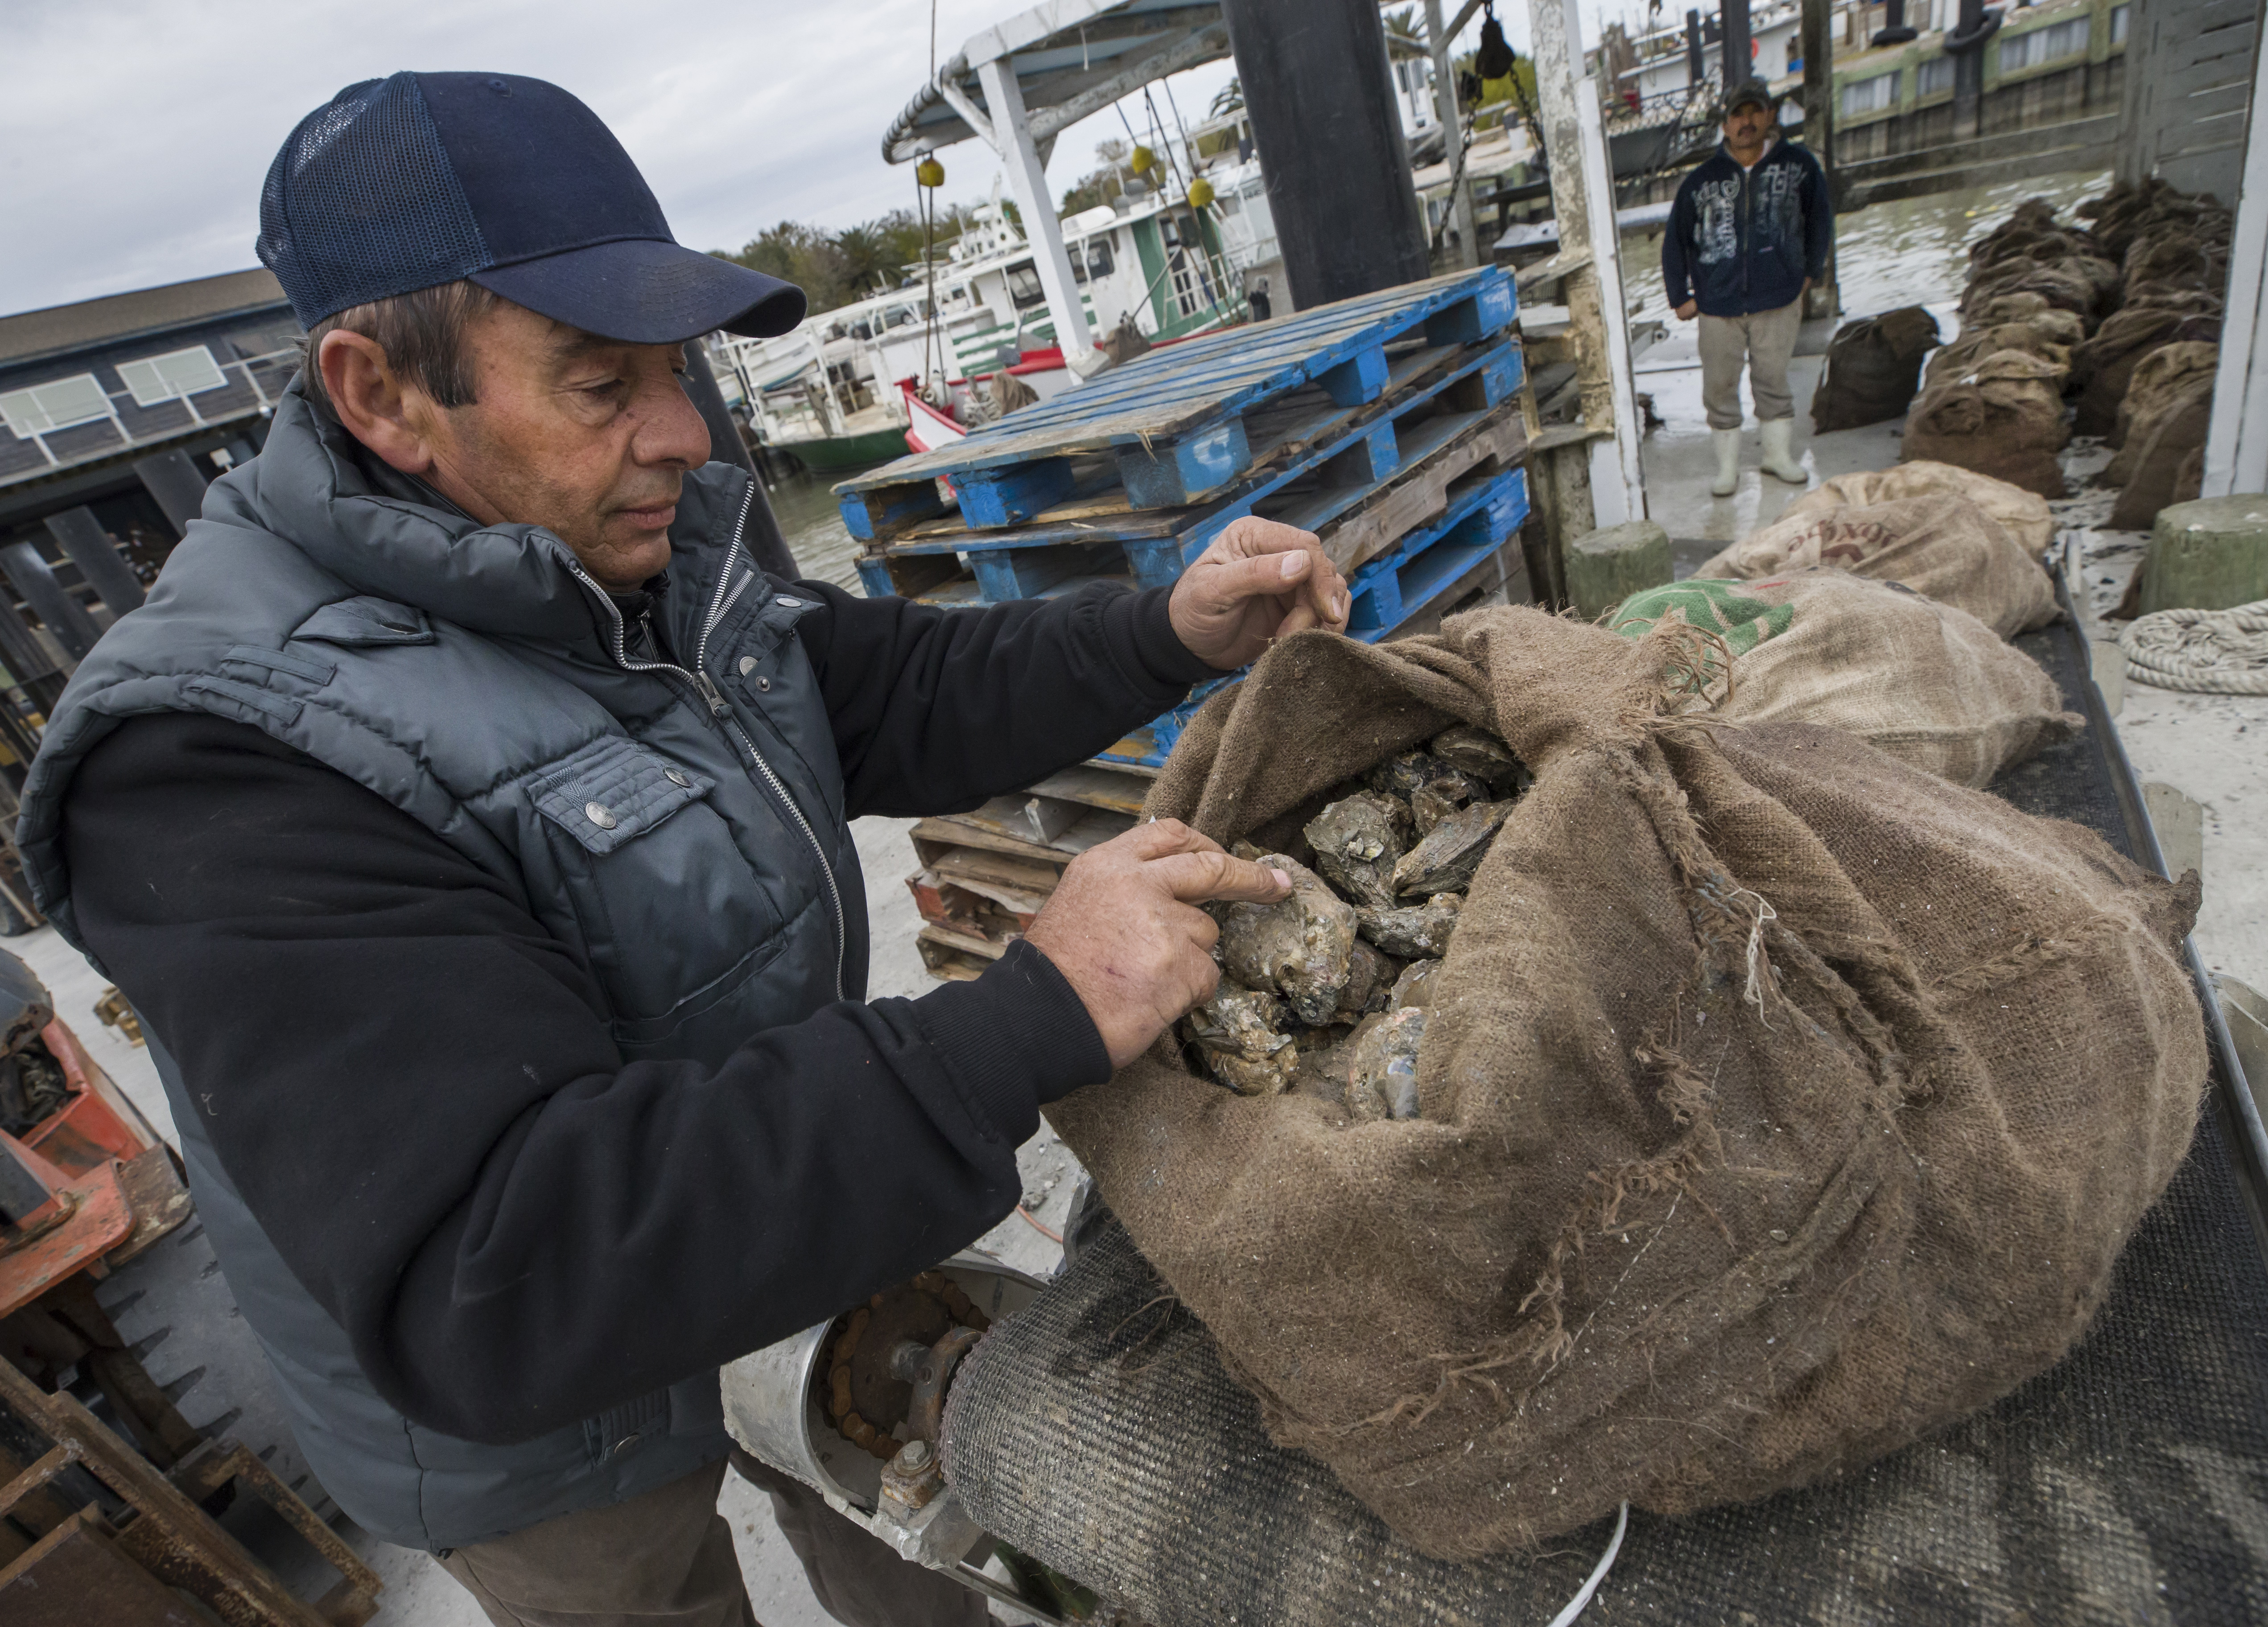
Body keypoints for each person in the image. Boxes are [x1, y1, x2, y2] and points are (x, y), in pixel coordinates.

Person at [16, 73, 1352, 1627]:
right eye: (598, 381)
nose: (680, 431)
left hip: (784, 1201)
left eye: (676, 367)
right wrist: (1024, 1016)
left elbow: (882, 693)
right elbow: (499, 1265)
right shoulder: (210, 760)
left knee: (918, 1523)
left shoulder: (631, 551)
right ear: (379, 393)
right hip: (543, 1426)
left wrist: (1152, 628)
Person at [1662, 77, 1834, 497]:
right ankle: (1728, 469)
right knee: (1719, 386)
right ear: (1724, 124)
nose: (1747, 122)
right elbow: (1676, 239)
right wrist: (1679, 297)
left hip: (1778, 298)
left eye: (1755, 111)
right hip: (1717, 302)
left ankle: (1777, 456)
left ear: (1770, 116)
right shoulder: (1700, 180)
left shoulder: (1800, 165)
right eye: (1737, 115)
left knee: (1773, 379)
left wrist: (1810, 272)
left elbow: (1821, 222)